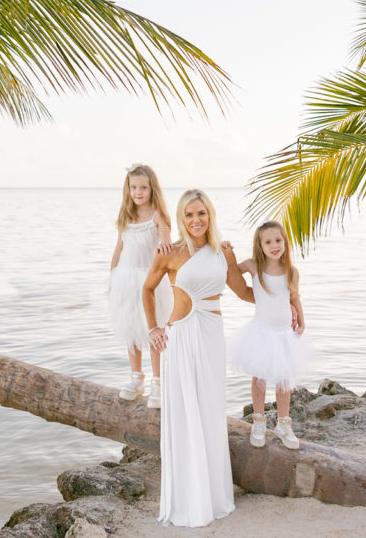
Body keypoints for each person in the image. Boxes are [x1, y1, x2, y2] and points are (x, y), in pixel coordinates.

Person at [143, 188, 250, 528]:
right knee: (184, 412)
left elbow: (244, 292)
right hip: (181, 337)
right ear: (181, 219)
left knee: (209, 410)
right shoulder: (170, 252)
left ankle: (214, 496)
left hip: (211, 335)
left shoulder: (223, 253)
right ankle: (189, 499)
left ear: (210, 215)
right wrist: (153, 329)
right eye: (189, 215)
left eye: (201, 213)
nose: (195, 220)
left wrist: (286, 298)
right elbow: (146, 289)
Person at [229, 220, 309, 450]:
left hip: (284, 333)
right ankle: (259, 421)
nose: (274, 245)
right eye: (268, 242)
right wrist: (227, 252)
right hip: (261, 333)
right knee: (259, 377)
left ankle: (284, 424)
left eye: (278, 240)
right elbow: (230, 271)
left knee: (284, 380)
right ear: (260, 245)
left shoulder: (291, 272)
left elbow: (294, 298)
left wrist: (301, 320)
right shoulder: (254, 266)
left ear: (285, 242)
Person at [107, 164, 173, 407]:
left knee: (153, 329)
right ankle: (137, 377)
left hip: (151, 281)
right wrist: (112, 277)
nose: (138, 192)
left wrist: (165, 242)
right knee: (130, 329)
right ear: (128, 189)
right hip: (125, 279)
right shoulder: (125, 217)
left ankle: (158, 382)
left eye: (143, 187)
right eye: (134, 187)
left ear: (152, 188)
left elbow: (165, 238)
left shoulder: (158, 216)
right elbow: (119, 249)